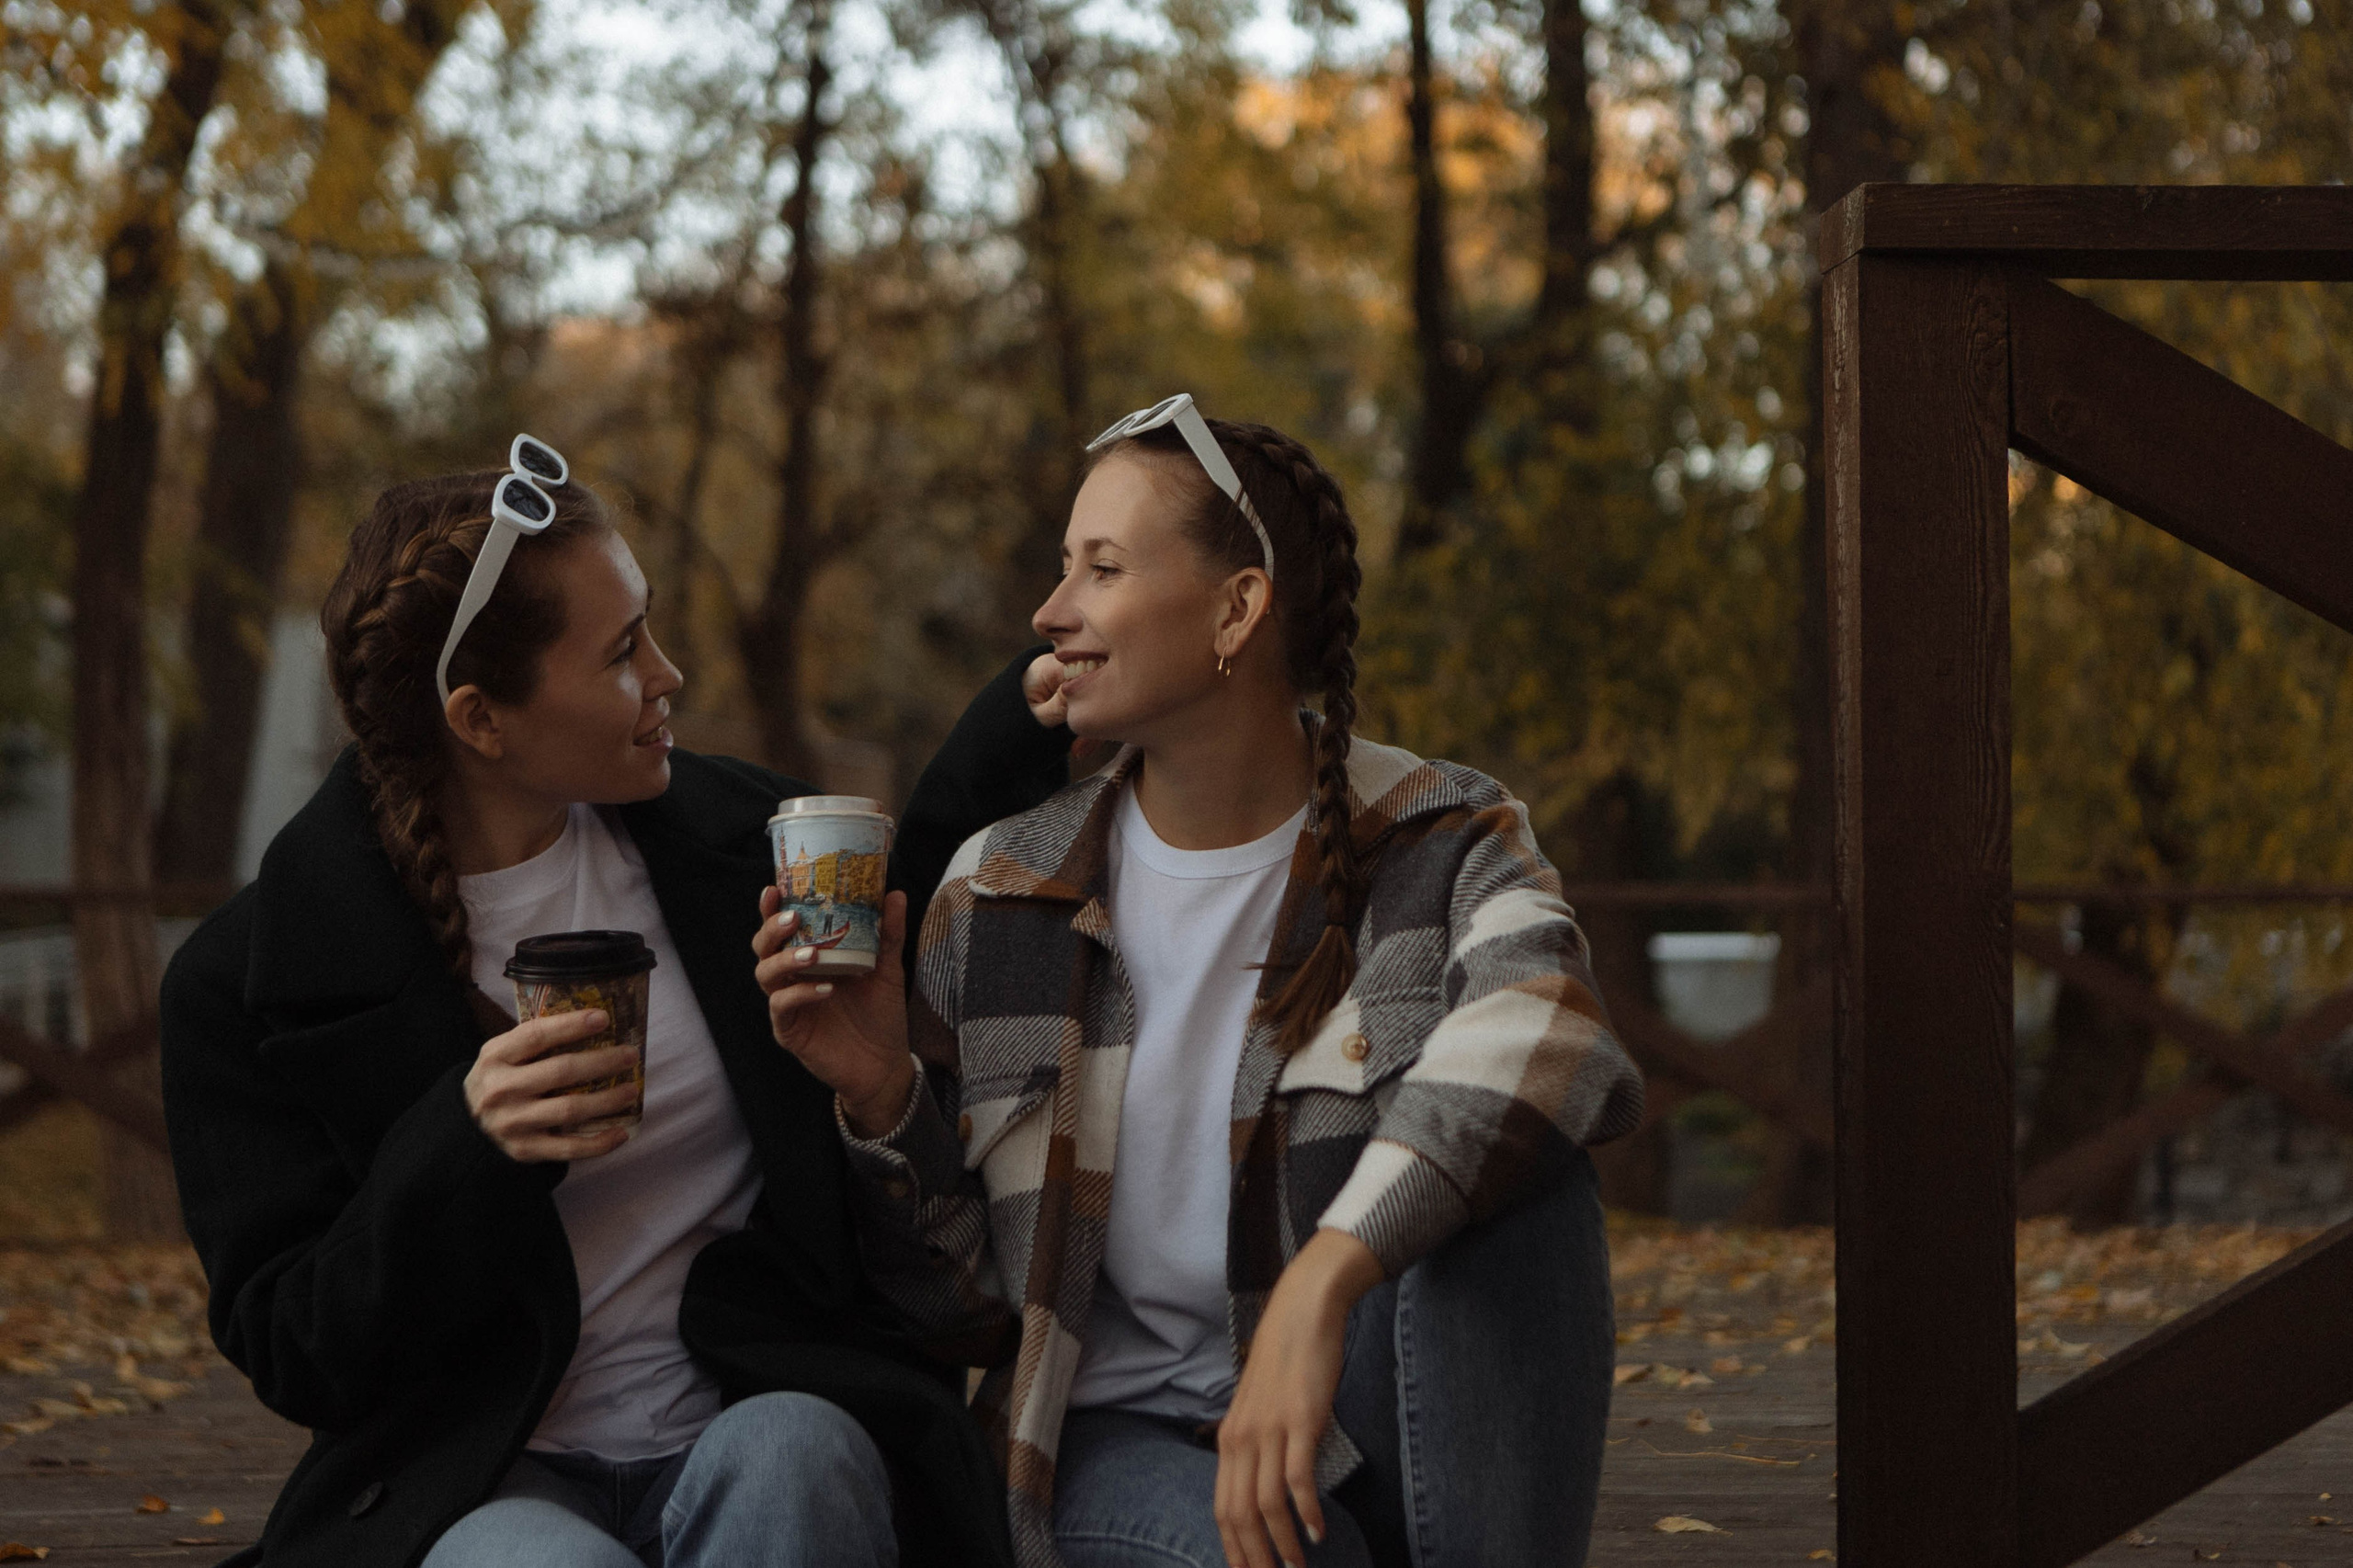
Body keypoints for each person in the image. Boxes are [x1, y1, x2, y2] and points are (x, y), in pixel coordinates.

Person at [755, 397, 1645, 1568]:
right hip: (1115, 1444)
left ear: (1236, 608)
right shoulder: (999, 891)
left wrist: (1324, 1277)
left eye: (1102, 567)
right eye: (1063, 566)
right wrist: (881, 1092)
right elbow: (961, 1308)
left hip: (1367, 1410)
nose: (1050, 611)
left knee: (1530, 1179)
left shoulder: (1439, 837)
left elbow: (1554, 1035)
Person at [160, 441, 1071, 1568]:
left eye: (650, 628)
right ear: (481, 719)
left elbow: (907, 894)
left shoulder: (741, 846)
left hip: (745, 1405)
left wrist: (1023, 718)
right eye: (621, 651)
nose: (667, 672)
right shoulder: (246, 981)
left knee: (799, 1454)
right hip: (474, 1471)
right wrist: (466, 1142)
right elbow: (295, 1348)